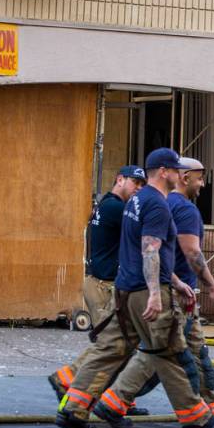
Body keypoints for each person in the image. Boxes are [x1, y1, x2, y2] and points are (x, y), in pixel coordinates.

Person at [55, 148, 214, 428]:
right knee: (170, 353)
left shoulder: (135, 201)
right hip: (145, 292)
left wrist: (174, 281)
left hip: (124, 290)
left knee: (110, 349)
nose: (180, 175)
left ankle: (73, 409)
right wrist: (155, 292)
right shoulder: (157, 205)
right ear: (164, 171)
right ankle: (198, 419)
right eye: (176, 170)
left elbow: (148, 248)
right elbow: (150, 248)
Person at [47, 165, 152, 415]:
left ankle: (119, 398)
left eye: (142, 184)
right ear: (119, 180)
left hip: (99, 283)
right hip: (105, 287)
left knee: (122, 344)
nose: (139, 188)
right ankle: (68, 380)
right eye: (135, 183)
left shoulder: (105, 205)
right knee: (111, 346)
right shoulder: (118, 209)